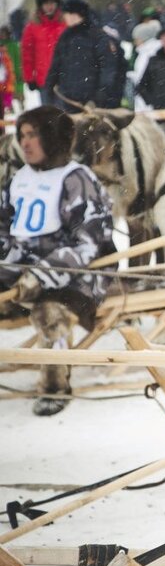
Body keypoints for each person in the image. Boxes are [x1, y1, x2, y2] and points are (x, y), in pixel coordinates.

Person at [0, 106, 115, 416]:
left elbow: (88, 243)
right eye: (22, 135)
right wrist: (9, 265)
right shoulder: (19, 179)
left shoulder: (76, 180)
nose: (25, 143)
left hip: (76, 276)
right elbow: (4, 228)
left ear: (53, 138)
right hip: (23, 273)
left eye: (33, 135)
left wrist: (42, 275)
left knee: (49, 314)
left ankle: (55, 386)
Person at [43, 0, 122, 113]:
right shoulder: (65, 37)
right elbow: (56, 66)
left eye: (68, 13)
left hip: (93, 103)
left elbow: (107, 69)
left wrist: (98, 98)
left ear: (77, 14)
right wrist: (49, 89)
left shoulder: (97, 36)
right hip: (67, 100)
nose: (65, 17)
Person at [20, 0, 66, 106]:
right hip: (44, 80)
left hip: (64, 80)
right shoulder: (32, 27)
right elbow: (27, 55)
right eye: (46, 4)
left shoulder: (65, 23)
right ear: (41, 6)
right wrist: (29, 77)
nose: (49, 7)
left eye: (52, 3)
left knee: (64, 116)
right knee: (48, 117)